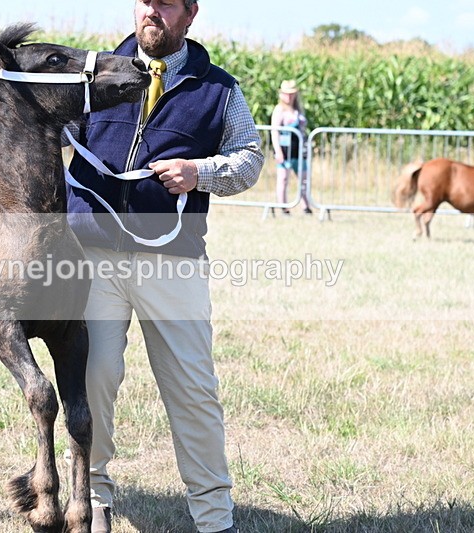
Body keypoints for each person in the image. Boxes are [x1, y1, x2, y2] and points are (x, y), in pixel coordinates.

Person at [63, 1, 263, 532]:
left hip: (173, 264)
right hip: (93, 257)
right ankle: (95, 496)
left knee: (193, 389)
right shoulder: (94, 73)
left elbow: (250, 158)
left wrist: (201, 171)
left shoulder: (219, 90)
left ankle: (215, 518)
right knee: (94, 377)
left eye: (166, 3)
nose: (152, 11)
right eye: (144, 1)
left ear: (190, 12)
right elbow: (48, 130)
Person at [270, 79, 311, 214]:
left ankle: (306, 206)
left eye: (292, 93)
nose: (289, 96)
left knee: (303, 179)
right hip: (285, 150)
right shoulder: (279, 110)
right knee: (283, 179)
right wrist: (278, 151)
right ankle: (283, 207)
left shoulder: (297, 109)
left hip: (298, 149)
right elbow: (274, 131)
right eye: (286, 93)